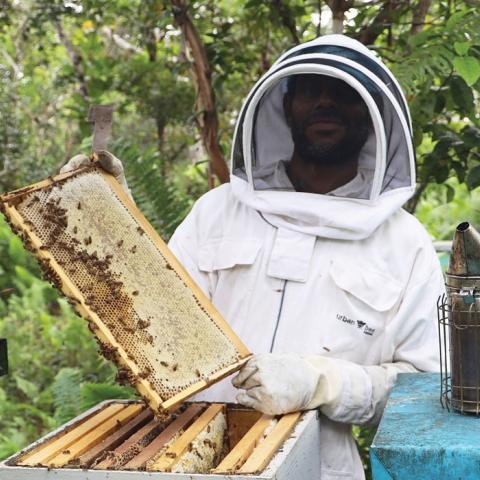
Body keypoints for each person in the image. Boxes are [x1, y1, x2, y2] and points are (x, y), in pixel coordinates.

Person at [62, 34, 445, 480]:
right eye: (309, 89)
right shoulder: (218, 212)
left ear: (373, 113)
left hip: (319, 468)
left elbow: (425, 390)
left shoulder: (404, 243)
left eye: (344, 92)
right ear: (284, 106)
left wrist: (322, 381)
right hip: (188, 458)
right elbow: (156, 328)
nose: (325, 101)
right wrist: (115, 235)